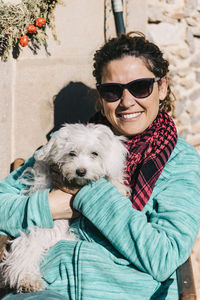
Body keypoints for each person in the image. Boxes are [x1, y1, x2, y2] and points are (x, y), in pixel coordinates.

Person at [1, 31, 200, 300]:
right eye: (112, 91)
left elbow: (164, 257)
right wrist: (50, 205)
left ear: (162, 87)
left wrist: (86, 191)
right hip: (44, 288)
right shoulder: (67, 142)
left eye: (141, 86)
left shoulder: (182, 163)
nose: (127, 101)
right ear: (100, 96)